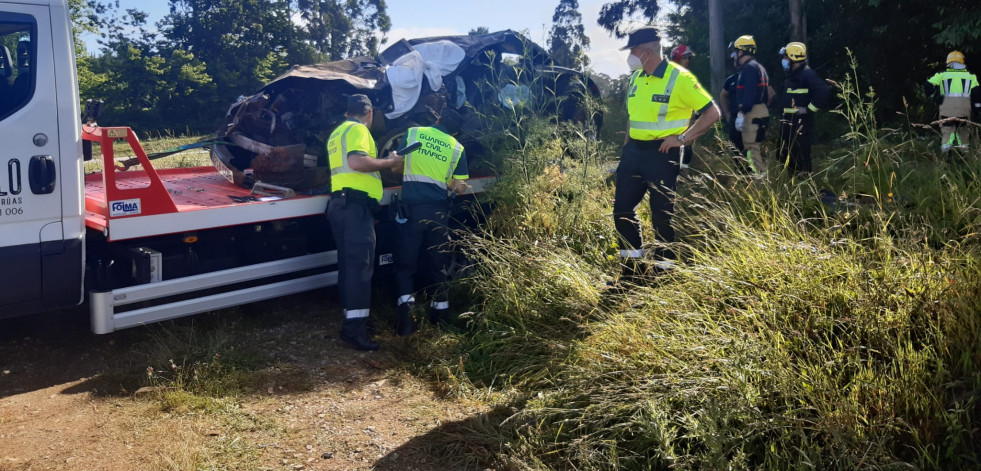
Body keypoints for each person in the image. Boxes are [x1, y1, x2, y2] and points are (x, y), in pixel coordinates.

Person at [615, 27, 720, 278]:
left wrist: (681, 139)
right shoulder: (636, 77)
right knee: (622, 210)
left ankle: (665, 272)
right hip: (633, 154)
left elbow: (712, 113)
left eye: (634, 50)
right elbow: (633, 115)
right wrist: (627, 145)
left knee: (662, 216)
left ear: (647, 52)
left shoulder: (680, 78)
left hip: (662, 154)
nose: (630, 55)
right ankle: (632, 272)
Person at [326, 94, 403, 350]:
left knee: (349, 267)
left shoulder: (338, 132)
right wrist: (390, 162)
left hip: (340, 205)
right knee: (361, 268)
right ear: (369, 113)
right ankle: (355, 331)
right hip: (356, 208)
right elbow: (357, 162)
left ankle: (351, 320)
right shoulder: (358, 129)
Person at [393, 109, 469, 335]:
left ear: (437, 119)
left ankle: (406, 323)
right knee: (439, 265)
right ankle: (440, 319)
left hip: (411, 212)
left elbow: (397, 165)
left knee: (406, 266)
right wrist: (444, 181)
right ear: (455, 131)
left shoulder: (414, 132)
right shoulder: (457, 147)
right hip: (438, 213)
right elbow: (461, 187)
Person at [776, 42, 830, 175]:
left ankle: (805, 186)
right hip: (788, 122)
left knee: (801, 156)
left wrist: (808, 109)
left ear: (793, 58)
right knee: (783, 153)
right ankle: (793, 183)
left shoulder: (807, 74)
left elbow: (823, 91)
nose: (784, 60)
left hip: (800, 123)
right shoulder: (792, 75)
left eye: (786, 57)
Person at [926, 51, 981, 152]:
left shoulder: (941, 74)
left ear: (948, 61)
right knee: (963, 133)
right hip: (964, 108)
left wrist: (933, 97)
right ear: (962, 62)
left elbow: (928, 85)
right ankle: (963, 158)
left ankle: (946, 159)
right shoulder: (971, 76)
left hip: (946, 107)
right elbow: (976, 94)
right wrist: (977, 109)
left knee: (947, 132)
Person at [732, 35, 771, 175]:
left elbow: (749, 93)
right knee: (755, 149)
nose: (733, 55)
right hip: (761, 111)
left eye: (735, 51)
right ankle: (761, 180)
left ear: (741, 51)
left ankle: (761, 184)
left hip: (752, 112)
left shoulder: (748, 69)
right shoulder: (758, 66)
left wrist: (742, 113)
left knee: (751, 149)